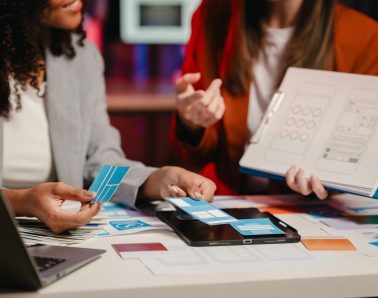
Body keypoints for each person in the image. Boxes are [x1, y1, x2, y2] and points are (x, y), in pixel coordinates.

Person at [0, 0, 216, 234]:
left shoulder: (80, 57)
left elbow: (98, 161)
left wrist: (157, 179)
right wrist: (21, 202)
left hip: (53, 237)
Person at [170, 0, 378, 198]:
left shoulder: (363, 37)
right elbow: (194, 155)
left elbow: (363, 164)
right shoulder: (214, 16)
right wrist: (191, 124)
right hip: (229, 203)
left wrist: (329, 179)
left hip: (315, 213)